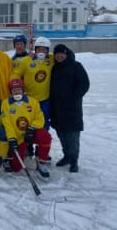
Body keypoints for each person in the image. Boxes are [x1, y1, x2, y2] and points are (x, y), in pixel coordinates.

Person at [50, 44, 90, 173]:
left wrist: (74, 98)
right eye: (57, 54)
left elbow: (84, 84)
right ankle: (66, 156)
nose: (59, 56)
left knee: (72, 136)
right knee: (62, 135)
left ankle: (74, 160)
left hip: (72, 108)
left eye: (62, 53)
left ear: (67, 54)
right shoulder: (54, 68)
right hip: (57, 108)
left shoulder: (76, 66)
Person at [1, 79, 51, 178]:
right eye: (14, 90)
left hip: (30, 133)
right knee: (16, 167)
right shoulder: (6, 104)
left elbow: (40, 118)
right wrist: (12, 138)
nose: (17, 92)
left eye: (19, 89)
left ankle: (41, 161)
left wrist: (32, 128)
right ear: (11, 92)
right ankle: (8, 156)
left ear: (23, 90)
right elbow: (7, 124)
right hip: (18, 137)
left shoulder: (32, 102)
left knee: (45, 136)